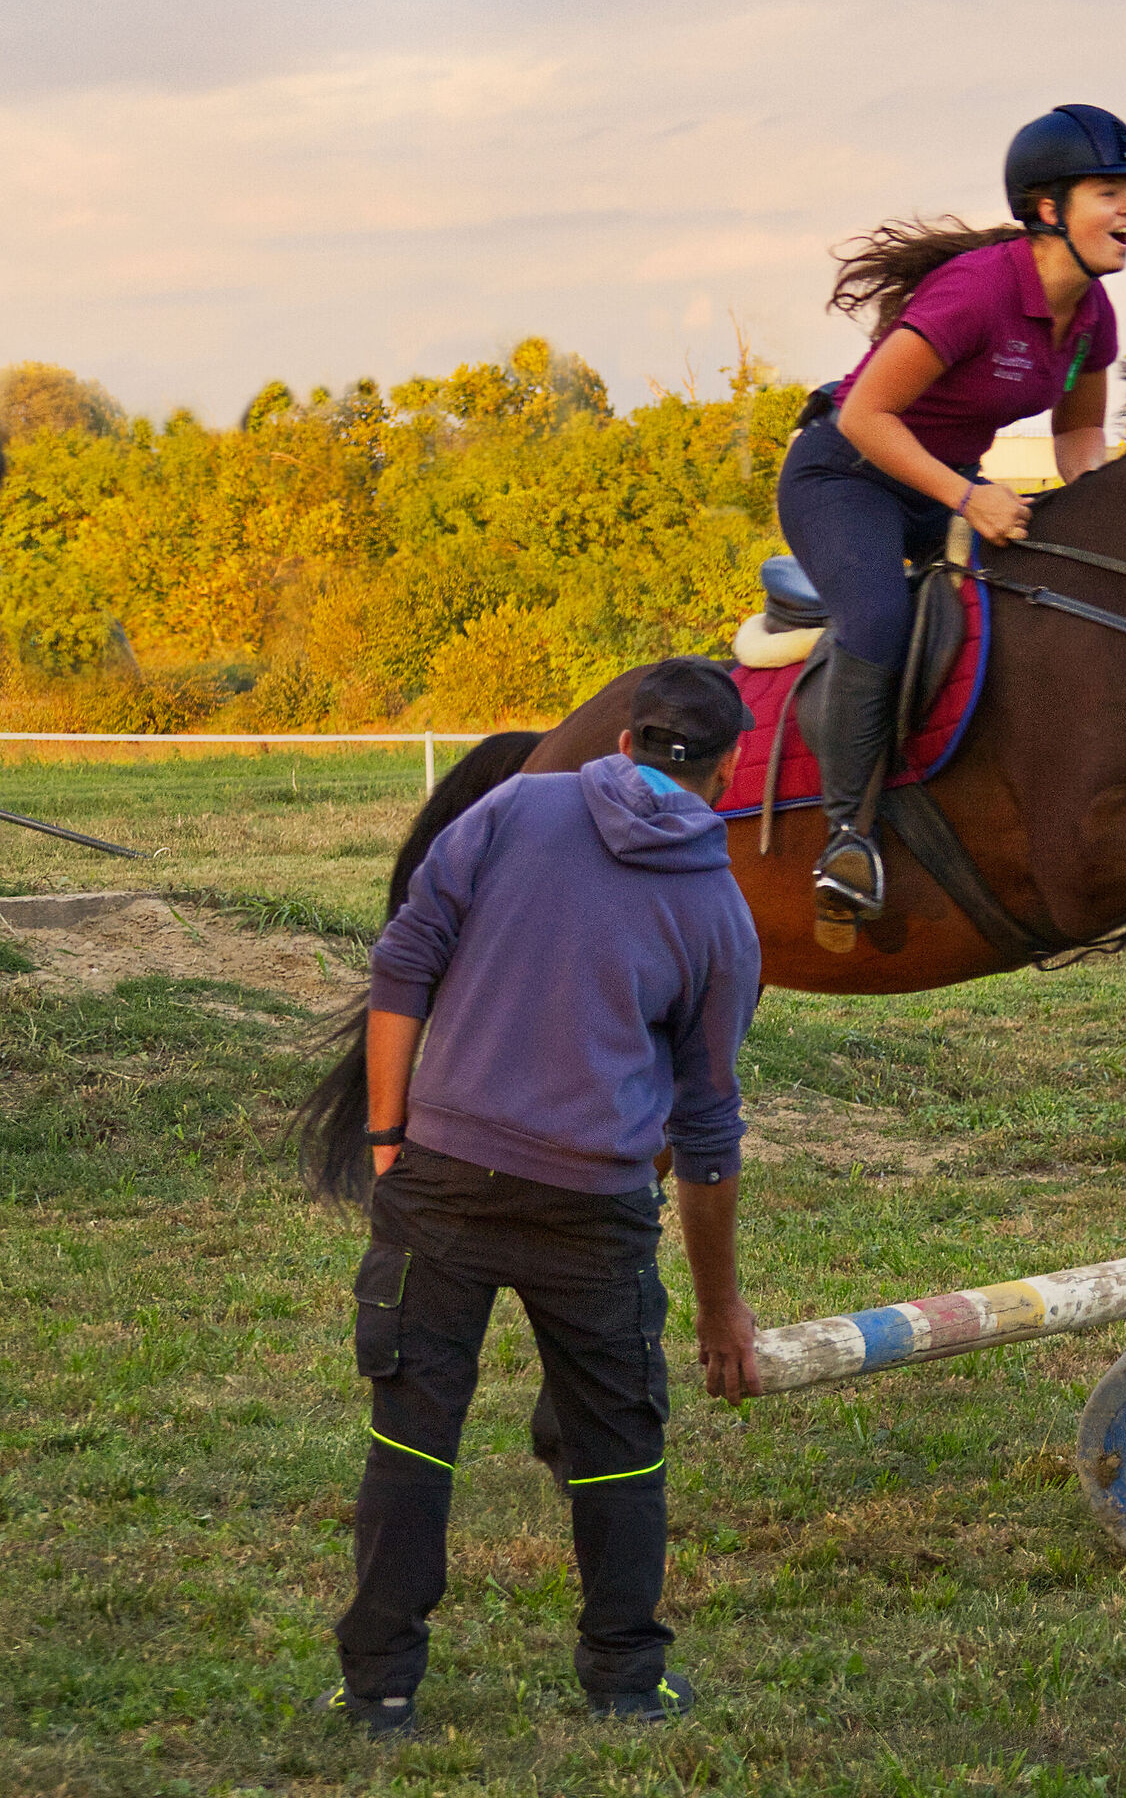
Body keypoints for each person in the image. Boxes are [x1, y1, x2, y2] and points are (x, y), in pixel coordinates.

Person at [319, 658, 766, 1736]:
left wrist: (390, 1139)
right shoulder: (721, 915)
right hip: (595, 1211)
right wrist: (720, 1309)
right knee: (621, 1450)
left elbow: (403, 960)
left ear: (624, 740)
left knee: (414, 1438)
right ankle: (623, 1680)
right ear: (725, 770)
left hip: (442, 1181)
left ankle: (379, 1686)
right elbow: (705, 1139)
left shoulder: (515, 805)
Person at [778, 102, 1126, 920]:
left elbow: (1081, 429)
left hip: (939, 483)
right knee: (878, 621)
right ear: (1048, 208)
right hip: (845, 475)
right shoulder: (979, 291)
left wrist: (1102, 509)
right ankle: (847, 839)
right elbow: (865, 417)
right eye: (1109, 192)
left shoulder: (1093, 314)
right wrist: (966, 493)